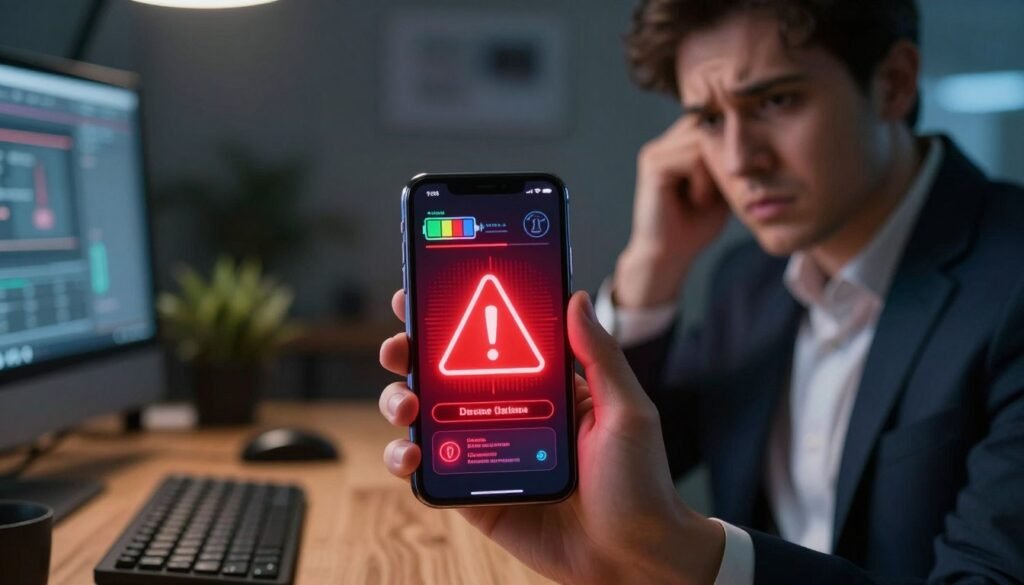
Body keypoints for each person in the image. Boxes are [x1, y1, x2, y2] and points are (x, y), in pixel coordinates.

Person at [378, 0, 1024, 583]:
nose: (740, 158)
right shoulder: (747, 281)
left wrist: (685, 550)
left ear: (894, 82)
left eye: (776, 101)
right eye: (710, 118)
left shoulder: (1011, 286)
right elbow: (631, 460)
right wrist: (653, 265)